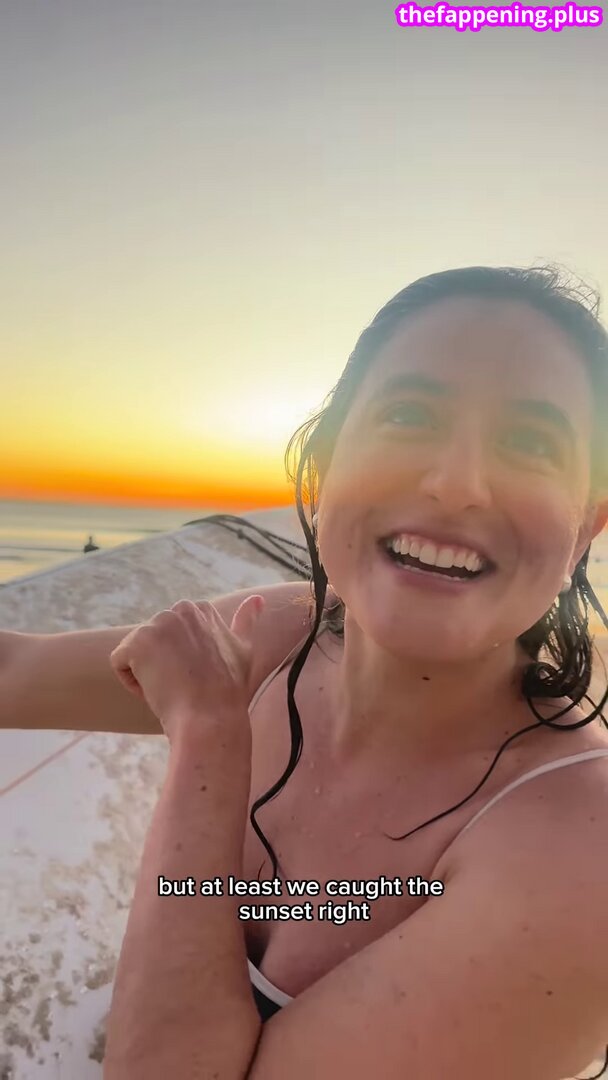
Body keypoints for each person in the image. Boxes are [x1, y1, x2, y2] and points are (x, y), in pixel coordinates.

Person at [2, 265, 608, 1080]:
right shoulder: (282, 633)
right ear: (324, 467)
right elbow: (17, 669)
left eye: (532, 443)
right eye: (408, 414)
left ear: (584, 527)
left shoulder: (576, 848)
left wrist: (207, 738)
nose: (457, 484)